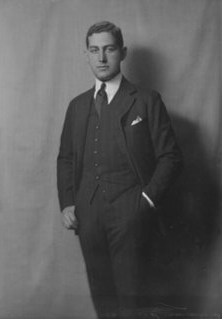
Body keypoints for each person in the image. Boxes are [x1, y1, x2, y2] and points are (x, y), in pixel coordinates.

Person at [57, 21, 183, 319]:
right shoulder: (76, 106)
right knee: (104, 303)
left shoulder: (147, 100)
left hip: (132, 213)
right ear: (86, 54)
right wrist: (68, 203)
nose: (102, 58)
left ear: (122, 53)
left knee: (132, 305)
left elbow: (171, 157)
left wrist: (146, 201)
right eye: (94, 50)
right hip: (88, 217)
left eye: (109, 49)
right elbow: (65, 158)